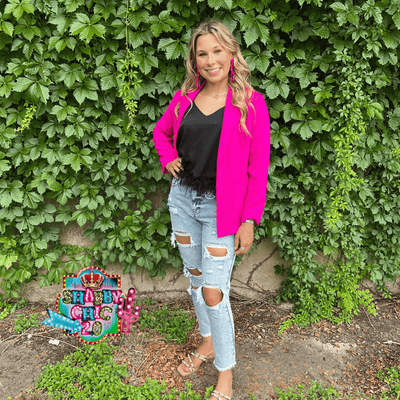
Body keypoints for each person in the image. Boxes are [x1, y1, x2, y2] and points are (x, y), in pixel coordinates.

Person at [153, 20, 270, 400]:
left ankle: (225, 372)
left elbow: (258, 166)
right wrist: (167, 157)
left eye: (217, 51)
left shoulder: (250, 102)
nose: (210, 60)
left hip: (224, 209)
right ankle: (207, 341)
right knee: (196, 279)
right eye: (202, 53)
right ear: (195, 59)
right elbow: (161, 132)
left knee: (214, 291)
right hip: (182, 201)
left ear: (231, 53)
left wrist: (249, 219)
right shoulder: (184, 98)